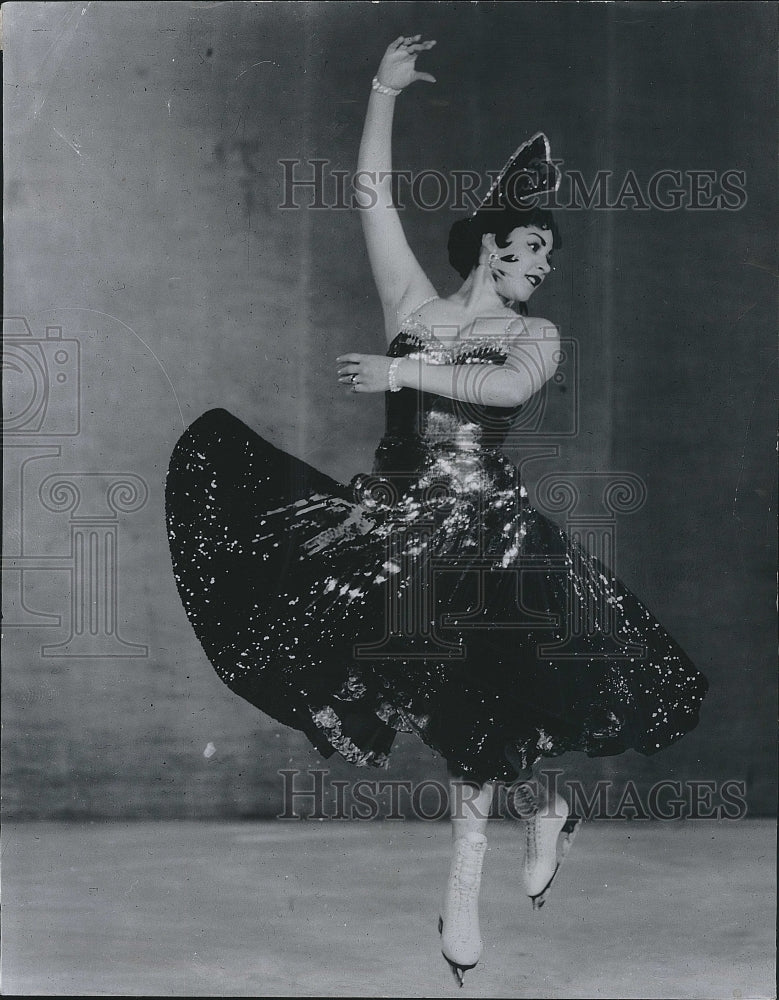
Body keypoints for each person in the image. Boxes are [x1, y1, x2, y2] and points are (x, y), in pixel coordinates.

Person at [165, 35, 708, 986]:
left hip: (491, 538)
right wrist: (382, 92)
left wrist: (403, 369)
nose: (542, 266)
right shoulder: (411, 298)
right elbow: (371, 198)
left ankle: (466, 883)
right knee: (452, 697)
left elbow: (501, 397)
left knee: (487, 699)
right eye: (532, 247)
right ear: (491, 242)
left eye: (547, 253)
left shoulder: (533, 334)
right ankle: (539, 813)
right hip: (399, 530)